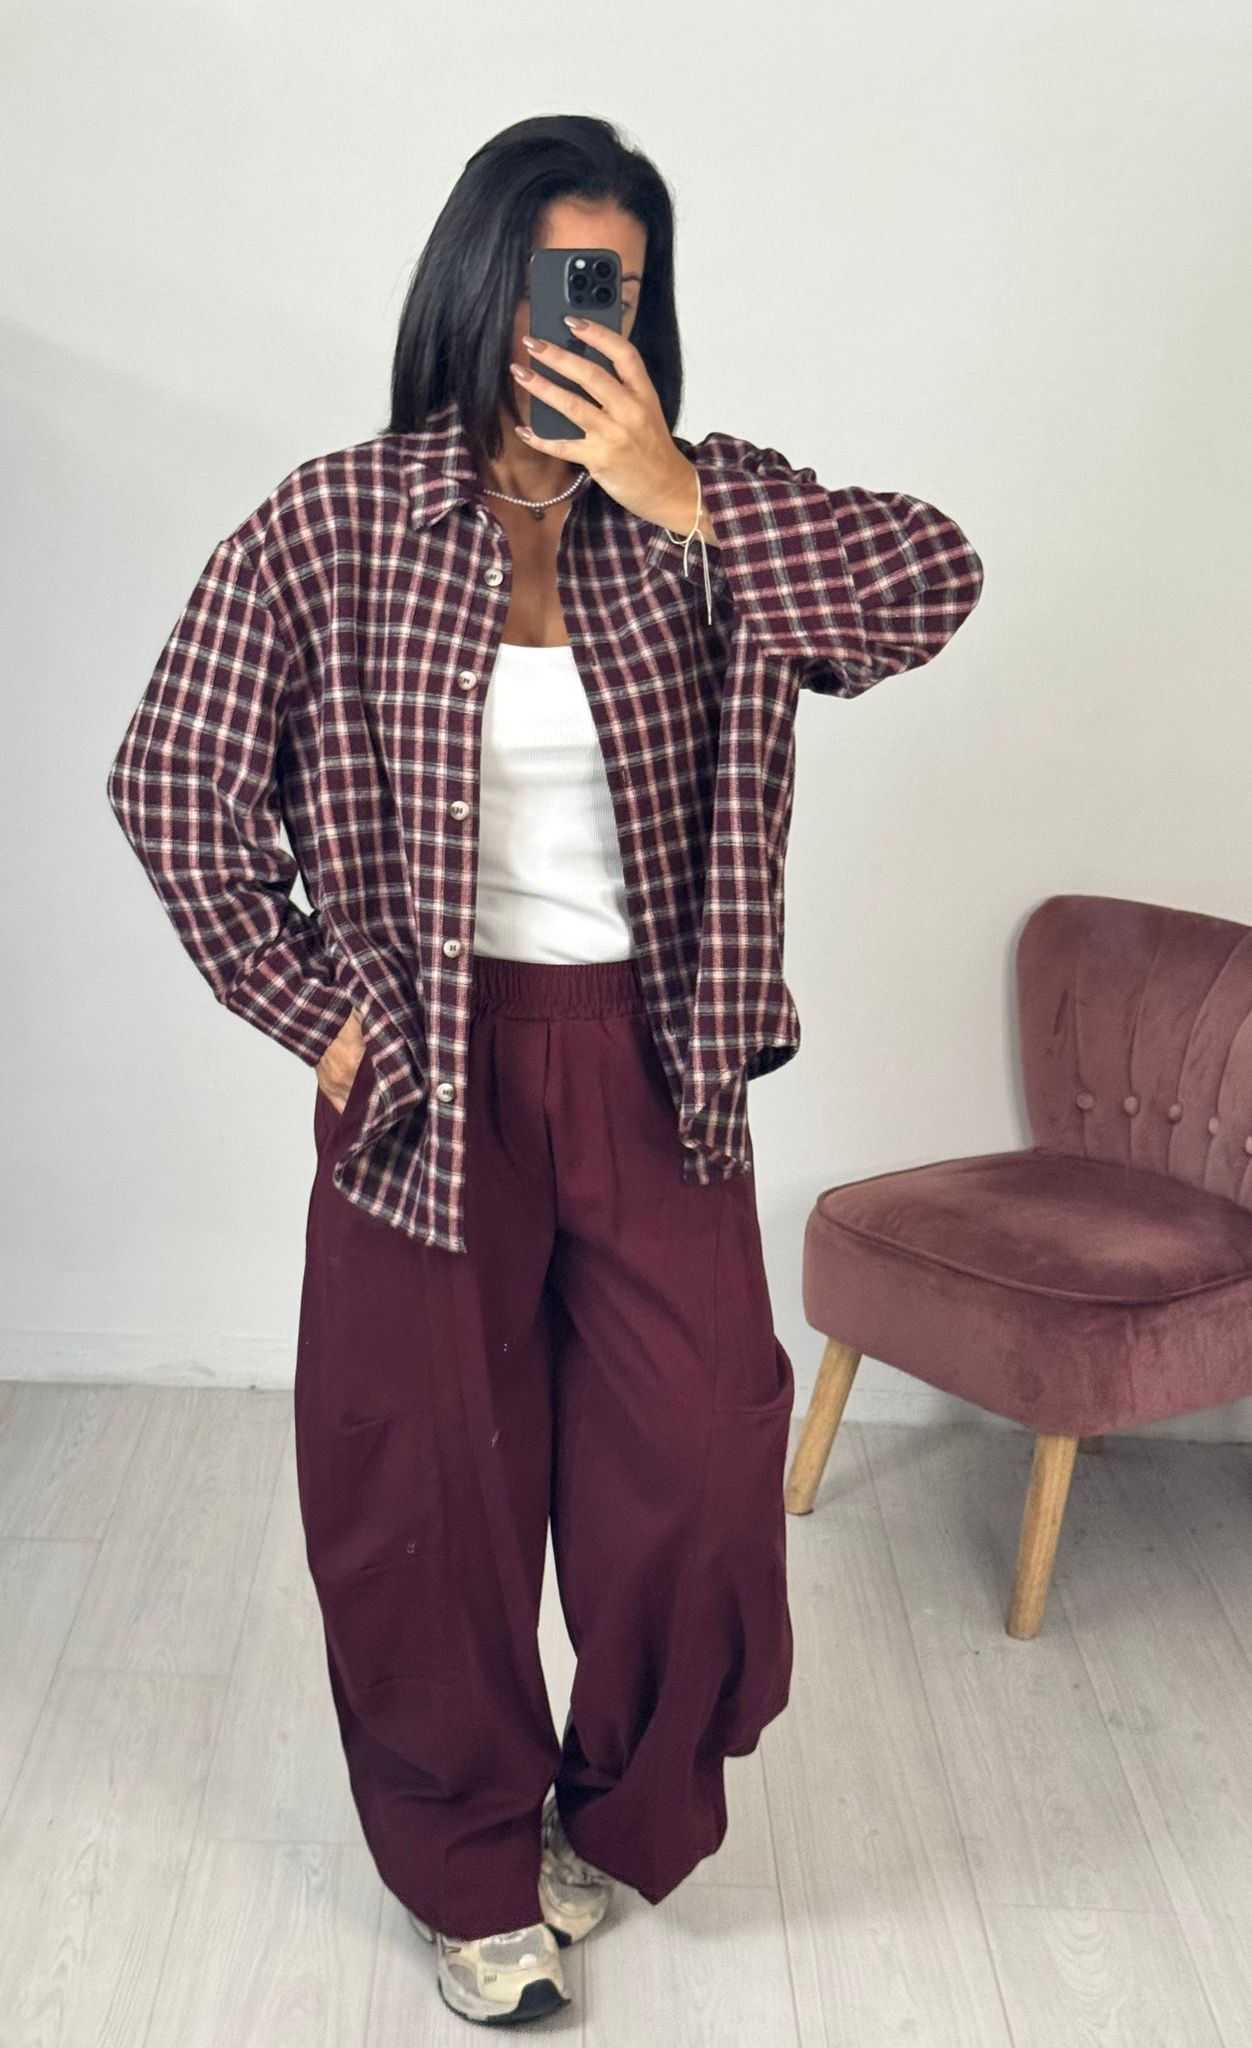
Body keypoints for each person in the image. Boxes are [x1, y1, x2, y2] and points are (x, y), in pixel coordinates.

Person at [105, 112, 984, 2027]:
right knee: (428, 1486)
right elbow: (169, 777)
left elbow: (936, 581)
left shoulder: (710, 514)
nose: (579, 322)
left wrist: (687, 498)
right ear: (475, 285)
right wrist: (318, 1012)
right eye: (549, 281)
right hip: (425, 1078)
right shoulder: (336, 521)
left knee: (700, 1463)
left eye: (619, 289)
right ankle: (466, 1868)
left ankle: (611, 1816)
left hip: (653, 1064)